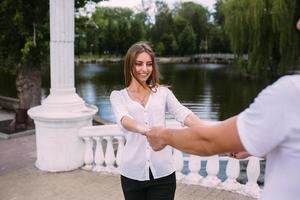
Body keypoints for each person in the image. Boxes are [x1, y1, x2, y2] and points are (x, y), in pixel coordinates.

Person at [146, 20, 300, 200]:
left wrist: (164, 136)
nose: (297, 24)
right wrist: (252, 147)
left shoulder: (292, 92)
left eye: (148, 64)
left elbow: (207, 141)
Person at [110, 41, 204, 200]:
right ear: (129, 66)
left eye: (149, 64)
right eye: (139, 64)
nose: (144, 69)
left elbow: (183, 113)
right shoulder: (118, 96)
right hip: (132, 175)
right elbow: (124, 120)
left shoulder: (163, 93)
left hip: (163, 175)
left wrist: (208, 131)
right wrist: (150, 132)